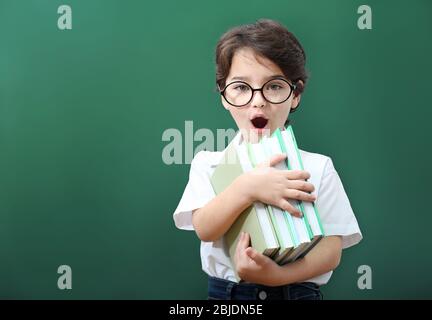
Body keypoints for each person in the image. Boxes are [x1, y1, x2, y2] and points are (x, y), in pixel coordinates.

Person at [173, 19, 362, 300]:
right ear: (224, 96)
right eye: (240, 87)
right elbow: (205, 228)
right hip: (230, 296)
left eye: (274, 86)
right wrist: (246, 188)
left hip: (296, 293)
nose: (258, 101)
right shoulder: (209, 163)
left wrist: (278, 276)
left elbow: (332, 250)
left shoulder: (318, 167)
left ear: (295, 95)